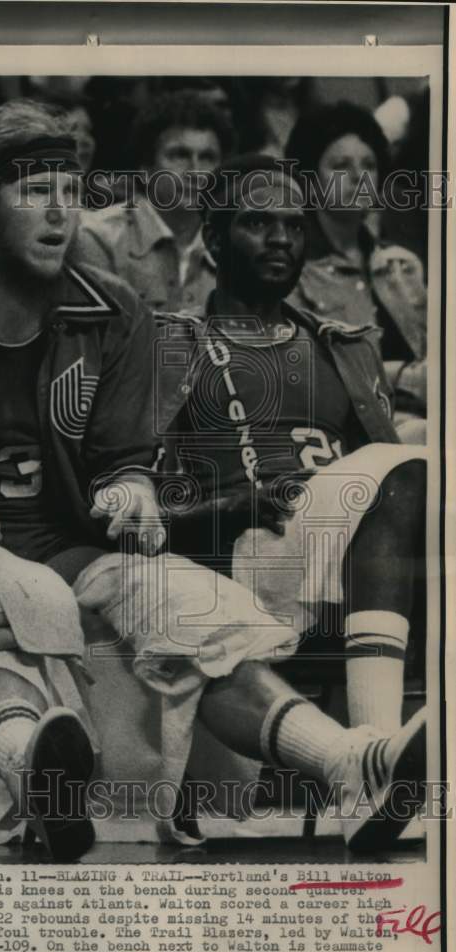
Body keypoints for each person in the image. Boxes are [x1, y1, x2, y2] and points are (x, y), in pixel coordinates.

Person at [0, 104, 424, 860]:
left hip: (74, 552)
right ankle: (33, 774)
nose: (56, 212)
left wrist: (131, 492)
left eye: (68, 191)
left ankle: (347, 762)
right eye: (31, 191)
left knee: (194, 608)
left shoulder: (111, 308)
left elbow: (125, 465)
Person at [160, 154, 426, 798]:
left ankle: (370, 764)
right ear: (215, 240)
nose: (281, 238)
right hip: (231, 560)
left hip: (350, 569)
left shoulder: (344, 344)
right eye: (257, 222)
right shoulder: (165, 344)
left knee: (412, 477)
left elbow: (400, 497)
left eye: (294, 223)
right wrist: (232, 503)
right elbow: (128, 502)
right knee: (404, 468)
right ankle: (375, 760)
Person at [285, 101, 427, 441]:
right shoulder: (293, 268)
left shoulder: (400, 264)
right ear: (309, 178)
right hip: (346, 433)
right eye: (340, 165)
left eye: (369, 165)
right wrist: (405, 376)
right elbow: (305, 374)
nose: (358, 177)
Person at [76, 90, 231, 316]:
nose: (196, 172)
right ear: (147, 169)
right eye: (179, 156)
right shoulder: (97, 238)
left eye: (207, 158)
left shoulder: (234, 244)